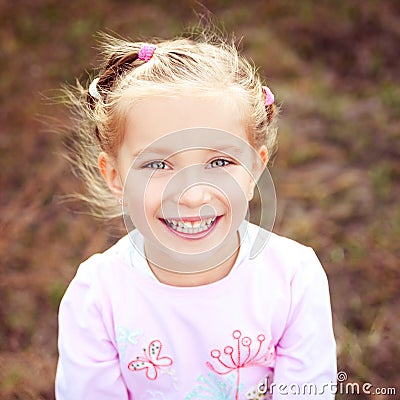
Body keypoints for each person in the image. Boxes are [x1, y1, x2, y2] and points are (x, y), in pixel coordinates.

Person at [55, 30, 337, 400]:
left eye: (219, 162)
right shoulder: (98, 296)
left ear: (255, 170)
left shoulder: (293, 278)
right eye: (157, 164)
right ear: (115, 176)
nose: (191, 196)